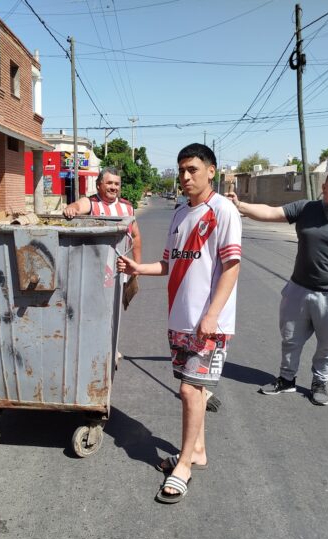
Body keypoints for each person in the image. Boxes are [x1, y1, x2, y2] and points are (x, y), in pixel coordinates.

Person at [118, 144, 241, 504]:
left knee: (189, 391)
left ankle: (183, 465)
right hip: (179, 319)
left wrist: (212, 315)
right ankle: (197, 450)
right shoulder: (179, 214)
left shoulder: (222, 211)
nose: (185, 177)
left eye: (192, 170)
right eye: (181, 170)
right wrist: (138, 268)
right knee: (195, 391)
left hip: (209, 323)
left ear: (211, 171)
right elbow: (169, 264)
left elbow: (231, 267)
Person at [226, 168, 328, 406]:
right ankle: (286, 379)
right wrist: (240, 205)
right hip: (298, 289)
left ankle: (319, 382)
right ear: (323, 188)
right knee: (290, 339)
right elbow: (271, 212)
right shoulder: (306, 209)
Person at [63, 167, 142, 264]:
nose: (113, 187)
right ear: (98, 185)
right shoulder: (91, 202)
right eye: (109, 183)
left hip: (120, 268)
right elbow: (77, 206)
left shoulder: (127, 206)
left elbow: (135, 237)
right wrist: (71, 208)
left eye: (117, 184)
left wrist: (137, 268)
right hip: (94, 266)